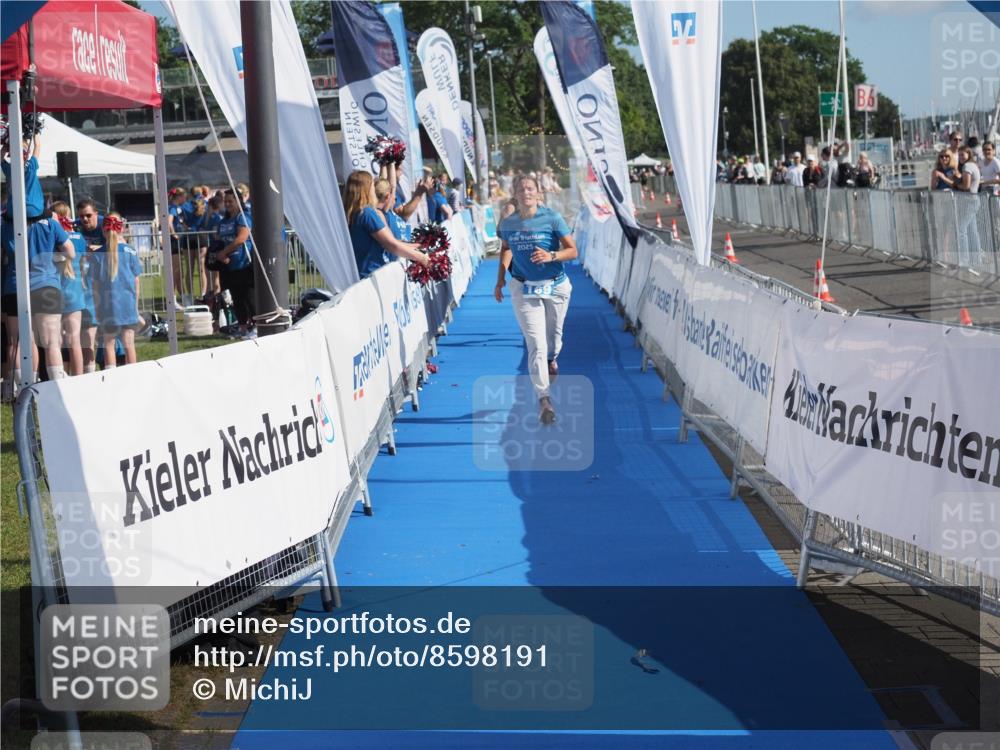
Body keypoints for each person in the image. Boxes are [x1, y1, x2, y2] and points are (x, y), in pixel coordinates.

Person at [494, 175, 578, 425]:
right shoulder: (509, 223)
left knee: (553, 340)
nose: (526, 193)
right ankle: (544, 400)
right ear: (515, 194)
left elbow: (572, 250)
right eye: (521, 189)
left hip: (555, 285)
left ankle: (553, 359)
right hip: (523, 287)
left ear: (538, 193)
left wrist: (551, 255)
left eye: (530, 189)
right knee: (536, 344)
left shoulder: (552, 218)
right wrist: (500, 280)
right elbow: (506, 248)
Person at [342, 171, 428, 279]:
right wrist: (423, 258)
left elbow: (393, 242)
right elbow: (391, 245)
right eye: (372, 185)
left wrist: (418, 246)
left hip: (361, 275)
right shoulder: (367, 213)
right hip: (372, 276)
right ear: (367, 189)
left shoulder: (352, 213)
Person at [88, 213, 140, 368]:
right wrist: (135, 306)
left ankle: (112, 378)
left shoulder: (97, 255)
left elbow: (95, 286)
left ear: (103, 231)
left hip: (107, 305)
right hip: (127, 304)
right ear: (121, 230)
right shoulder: (131, 251)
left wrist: (97, 309)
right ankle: (134, 376)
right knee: (129, 344)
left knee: (108, 343)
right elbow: (136, 281)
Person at [51, 202, 87, 376]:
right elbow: (82, 261)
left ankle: (60, 378)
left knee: (56, 341)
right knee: (75, 341)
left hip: (56, 290)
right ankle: (78, 378)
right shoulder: (79, 238)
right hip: (75, 289)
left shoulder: (53, 237)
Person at [213, 190, 255, 337]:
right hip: (228, 266)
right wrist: (218, 254)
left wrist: (225, 252)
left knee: (249, 297)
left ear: (238, 202)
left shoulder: (242, 217)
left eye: (231, 201)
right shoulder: (223, 221)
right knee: (236, 299)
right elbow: (218, 238)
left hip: (244, 263)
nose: (228, 204)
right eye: (226, 201)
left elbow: (241, 238)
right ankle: (242, 328)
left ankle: (256, 326)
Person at [74, 199, 102, 370]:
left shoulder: (105, 225)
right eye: (82, 216)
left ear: (97, 214)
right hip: (84, 286)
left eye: (88, 215)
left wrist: (99, 247)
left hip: (104, 286)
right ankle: (86, 373)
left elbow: (120, 242)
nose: (85, 219)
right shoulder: (75, 228)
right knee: (84, 334)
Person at [954, 146, 982, 267]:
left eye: (962, 155)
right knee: (972, 231)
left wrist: (956, 185)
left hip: (969, 201)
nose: (960, 157)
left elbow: (966, 186)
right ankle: (977, 258)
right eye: (959, 155)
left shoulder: (967, 166)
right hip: (974, 200)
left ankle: (964, 260)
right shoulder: (973, 165)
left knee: (961, 229)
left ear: (968, 154)